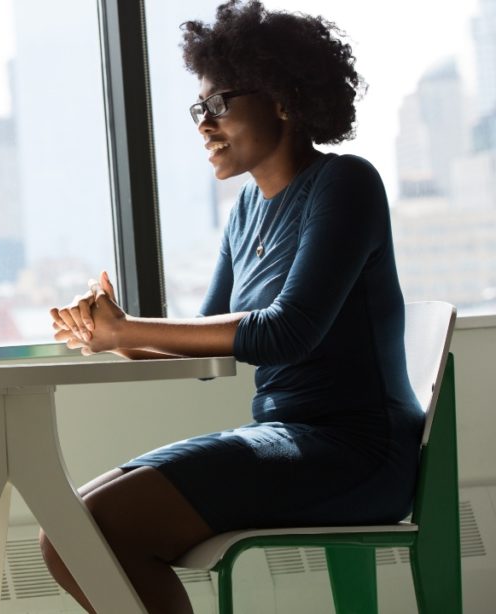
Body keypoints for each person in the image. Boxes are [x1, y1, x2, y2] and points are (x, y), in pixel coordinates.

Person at [42, 2, 423, 612]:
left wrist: (126, 329)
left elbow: (286, 333)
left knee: (93, 532)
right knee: (67, 533)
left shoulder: (346, 183)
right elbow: (205, 341)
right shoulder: (246, 211)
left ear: (283, 99)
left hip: (356, 452)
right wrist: (106, 332)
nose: (203, 124)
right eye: (200, 108)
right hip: (286, 437)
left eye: (219, 104)